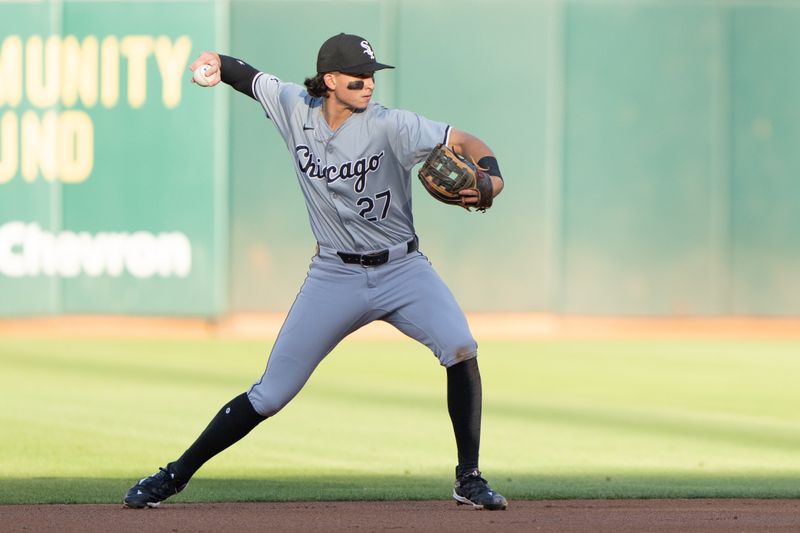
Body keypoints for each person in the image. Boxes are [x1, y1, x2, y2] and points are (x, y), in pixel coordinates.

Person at [123, 33, 507, 511]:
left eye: (372, 76)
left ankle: (468, 477)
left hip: (403, 269)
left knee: (460, 346)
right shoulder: (293, 107)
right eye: (357, 77)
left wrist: (492, 175)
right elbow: (247, 77)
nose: (368, 85)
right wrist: (215, 62)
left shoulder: (392, 126)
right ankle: (173, 476)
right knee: (270, 394)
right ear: (329, 80)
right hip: (334, 275)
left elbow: (465, 140)